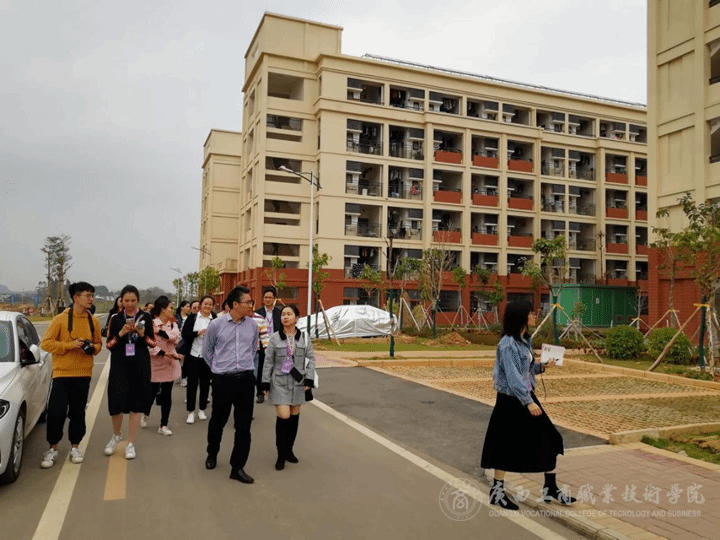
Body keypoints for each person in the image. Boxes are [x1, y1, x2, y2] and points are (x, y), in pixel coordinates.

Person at [480, 301, 575, 510]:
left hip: (525, 397)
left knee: (551, 438)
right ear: (521, 316)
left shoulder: (524, 340)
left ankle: (550, 487)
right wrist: (529, 402)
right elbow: (513, 378)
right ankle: (497, 492)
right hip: (511, 401)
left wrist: (543, 366)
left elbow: (526, 369)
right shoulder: (507, 345)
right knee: (504, 446)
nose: (534, 315)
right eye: (531, 312)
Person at [39, 282, 102, 468]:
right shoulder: (60, 319)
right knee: (56, 413)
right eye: (87, 295)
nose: (91, 299)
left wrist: (92, 348)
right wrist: (69, 345)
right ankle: (52, 448)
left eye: (92, 295)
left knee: (78, 412)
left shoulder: (93, 321)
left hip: (83, 374)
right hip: (61, 374)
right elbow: (46, 343)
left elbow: (99, 344)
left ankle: (75, 447)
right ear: (76, 297)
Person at [203, 286, 259, 484]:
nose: (251, 305)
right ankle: (212, 453)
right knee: (218, 421)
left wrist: (245, 367)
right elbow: (207, 352)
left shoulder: (252, 325)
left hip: (245, 380)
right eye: (248, 302)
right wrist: (218, 369)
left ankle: (237, 467)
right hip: (223, 380)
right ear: (235, 304)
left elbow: (253, 349)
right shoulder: (216, 325)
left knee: (244, 426)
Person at [260, 304, 315, 471]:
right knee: (284, 416)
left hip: (298, 382)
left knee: (293, 418)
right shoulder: (275, 338)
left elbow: (310, 359)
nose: (285, 317)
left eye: (289, 314)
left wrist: (309, 379)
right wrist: (265, 382)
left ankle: (289, 450)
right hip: (279, 382)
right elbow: (268, 361)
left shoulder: (304, 337)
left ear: (296, 318)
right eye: (283, 314)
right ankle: (281, 454)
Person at [105, 285, 155, 460]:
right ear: (121, 300)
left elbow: (153, 343)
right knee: (116, 403)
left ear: (138, 300)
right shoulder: (115, 318)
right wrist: (121, 333)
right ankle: (116, 436)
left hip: (139, 365)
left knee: (136, 404)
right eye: (126, 300)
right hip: (120, 366)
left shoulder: (146, 317)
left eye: (133, 300)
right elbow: (109, 344)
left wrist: (141, 334)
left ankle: (131, 443)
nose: (130, 303)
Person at [143, 296, 182, 435]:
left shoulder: (173, 324)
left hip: (169, 363)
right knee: (152, 392)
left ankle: (163, 424)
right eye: (170, 307)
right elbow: (148, 345)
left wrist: (160, 332)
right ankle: (146, 412)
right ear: (162, 309)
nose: (173, 310)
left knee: (167, 395)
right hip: (154, 363)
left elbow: (175, 339)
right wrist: (163, 353)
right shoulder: (151, 324)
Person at [182, 295, 216, 424]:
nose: (207, 306)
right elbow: (185, 334)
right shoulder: (192, 318)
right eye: (205, 303)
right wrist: (198, 333)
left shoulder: (215, 319)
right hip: (193, 355)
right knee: (192, 384)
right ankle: (190, 412)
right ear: (200, 305)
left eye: (210, 304)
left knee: (205, 384)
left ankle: (202, 409)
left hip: (207, 357)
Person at [254, 287, 283, 404]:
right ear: (263, 299)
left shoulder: (279, 313)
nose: (268, 299)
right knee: (260, 369)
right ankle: (260, 393)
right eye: (266, 297)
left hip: (275, 344)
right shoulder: (257, 313)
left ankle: (274, 393)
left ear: (274, 299)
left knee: (276, 369)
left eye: (270, 297)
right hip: (261, 345)